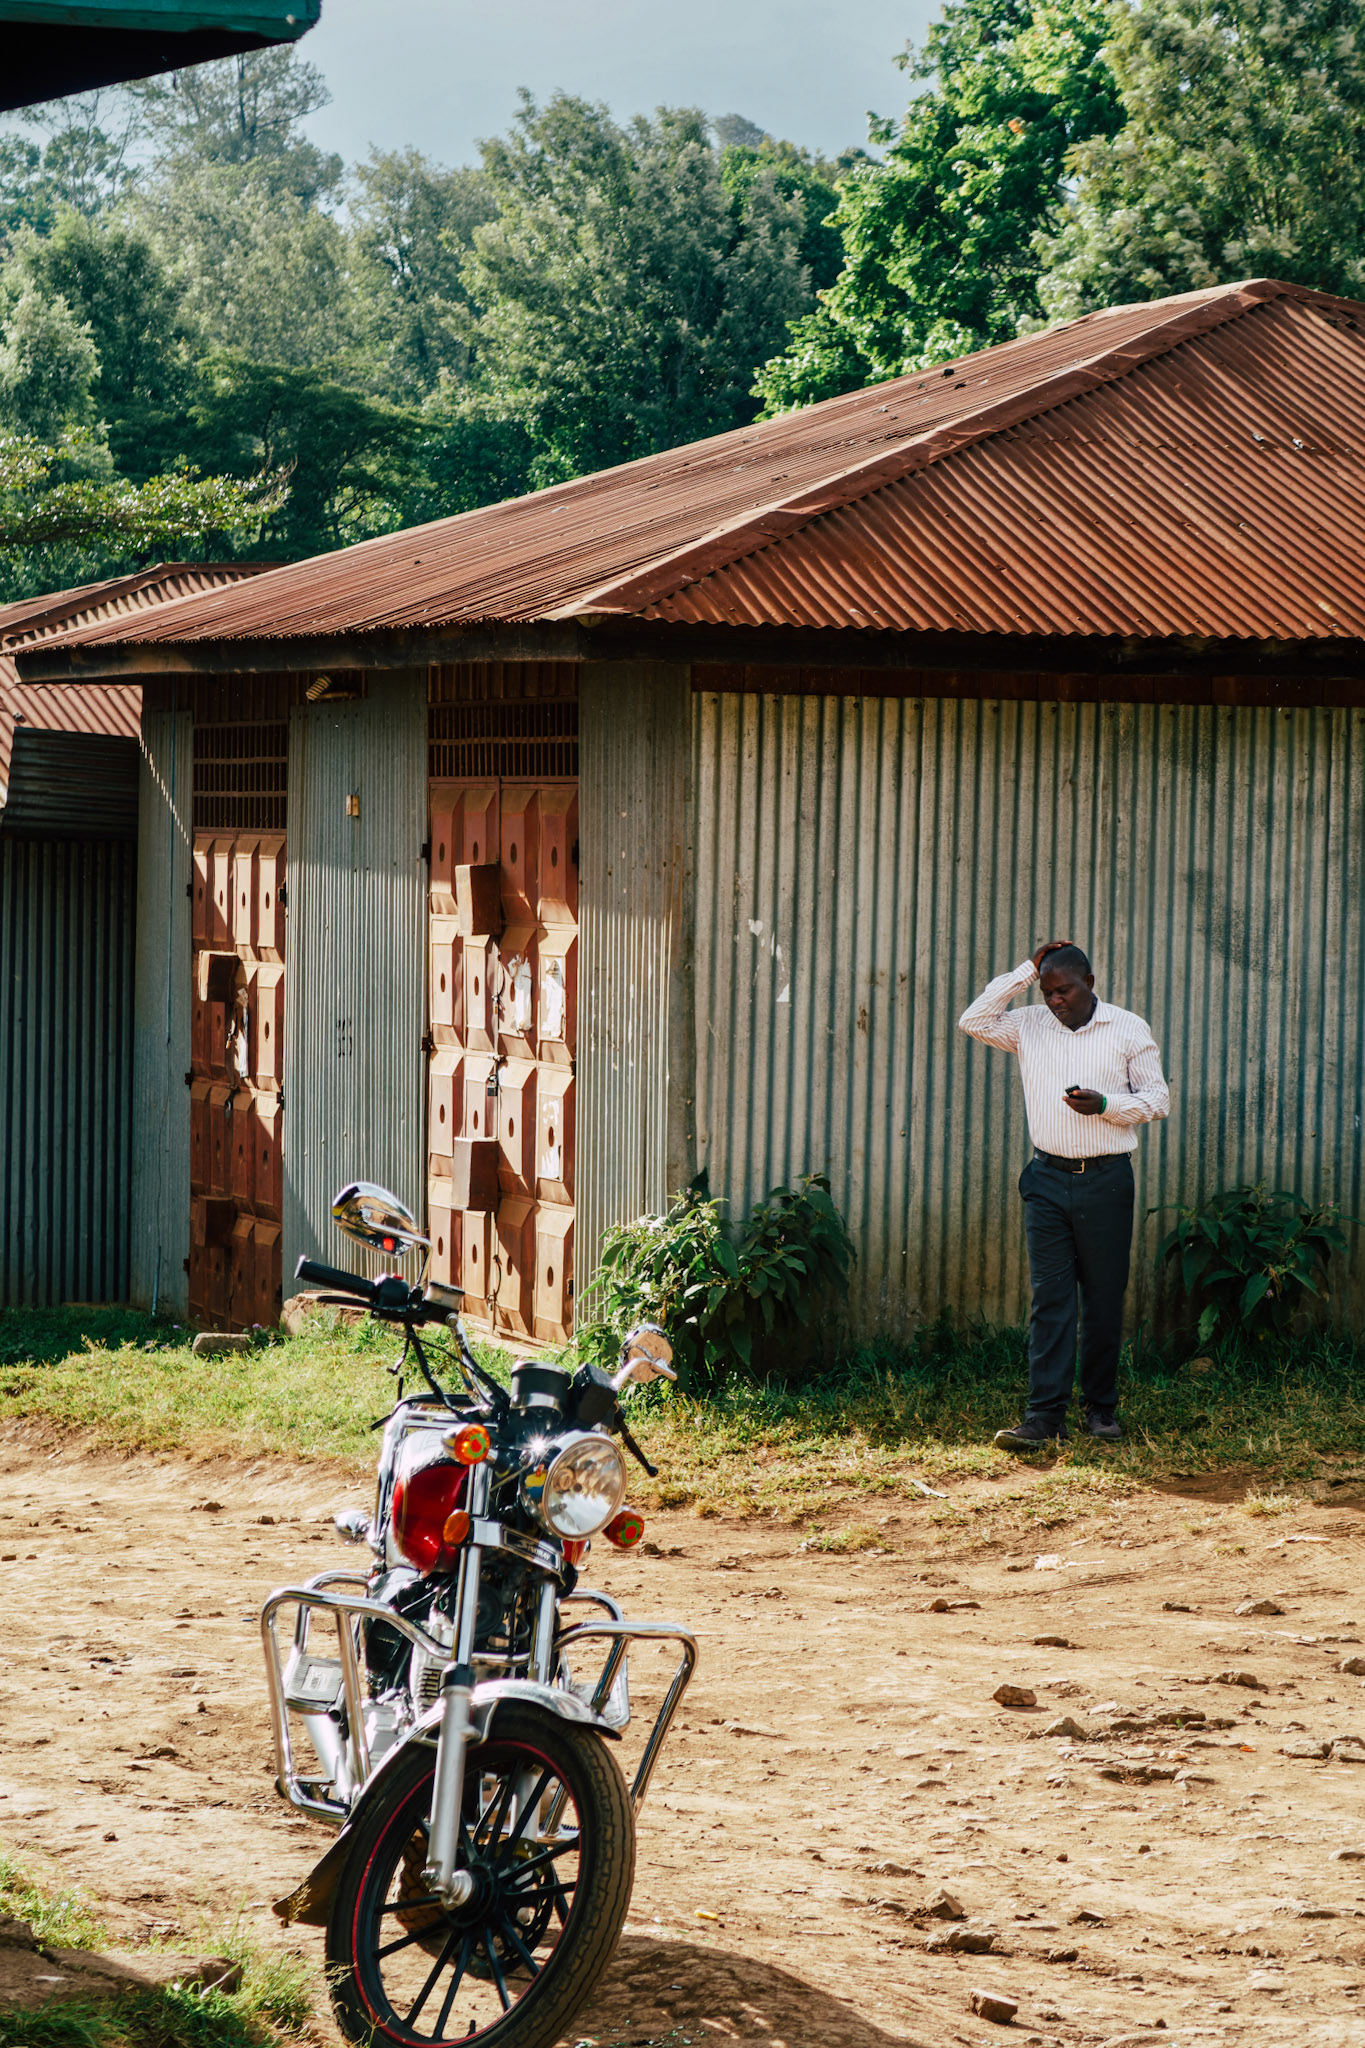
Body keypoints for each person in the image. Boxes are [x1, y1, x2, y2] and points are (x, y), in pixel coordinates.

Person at [958, 940, 1170, 1449]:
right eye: (1048, 990)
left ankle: (1101, 1410)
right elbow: (974, 1020)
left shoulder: (1126, 1027)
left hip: (1106, 1180)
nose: (1055, 1000)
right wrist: (1025, 971)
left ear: (1089, 985)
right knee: (1050, 1299)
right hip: (1046, 1179)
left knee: (1101, 1299)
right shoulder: (1028, 1024)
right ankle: (1044, 1416)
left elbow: (1157, 1100)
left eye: (1065, 990)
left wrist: (1104, 1106)